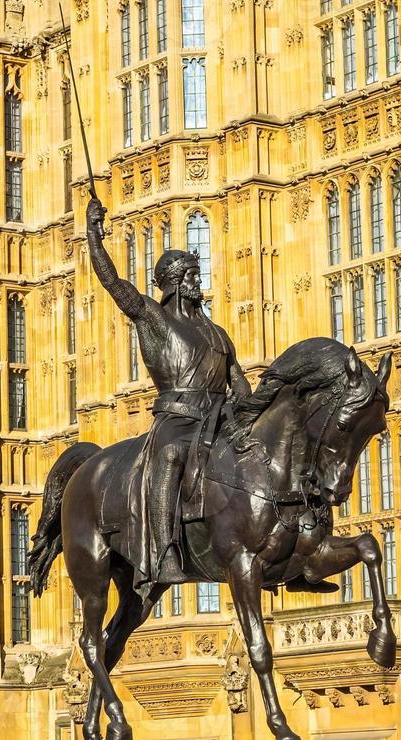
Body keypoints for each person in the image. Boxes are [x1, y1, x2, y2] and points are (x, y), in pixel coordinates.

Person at [86, 197, 251, 588]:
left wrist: (249, 412)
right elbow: (114, 284)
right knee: (172, 455)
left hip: (217, 422)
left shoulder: (216, 333)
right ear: (175, 282)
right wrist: (94, 235)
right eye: (192, 276)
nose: (199, 282)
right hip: (177, 420)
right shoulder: (155, 319)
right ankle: (163, 552)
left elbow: (238, 381)